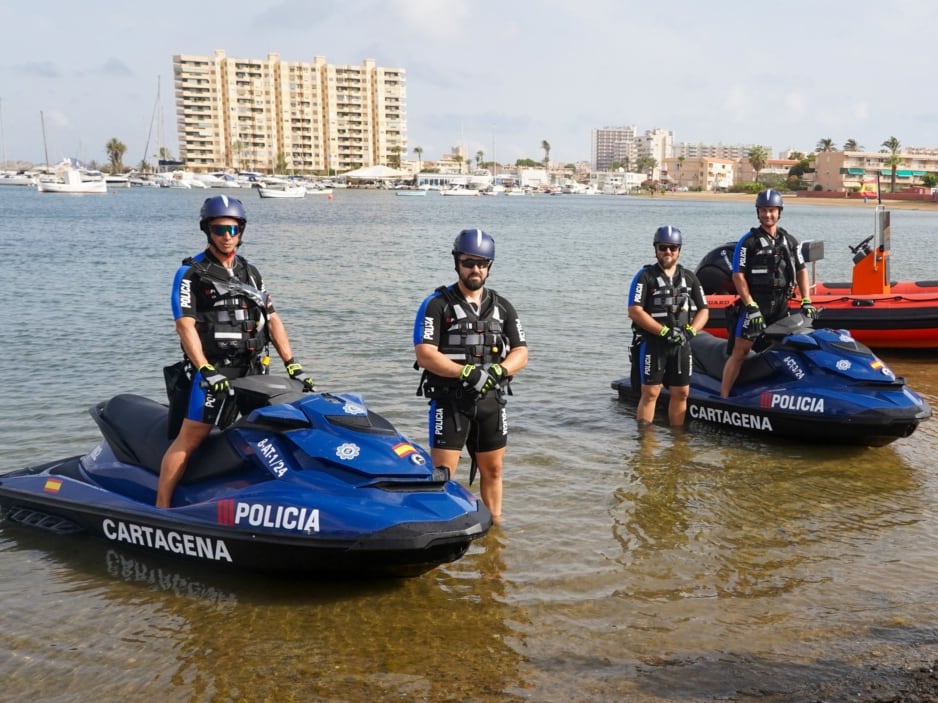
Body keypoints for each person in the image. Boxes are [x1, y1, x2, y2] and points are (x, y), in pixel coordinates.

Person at [157, 195, 316, 508]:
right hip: (215, 370)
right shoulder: (192, 274)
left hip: (255, 369)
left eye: (233, 229)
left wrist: (292, 365)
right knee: (192, 437)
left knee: (271, 432)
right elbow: (185, 326)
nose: (227, 236)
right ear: (208, 230)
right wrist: (204, 368)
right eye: (219, 229)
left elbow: (272, 320)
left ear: (241, 230)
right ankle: (161, 507)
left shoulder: (251, 273)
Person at [413, 228, 528, 522]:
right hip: (450, 402)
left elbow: (521, 352)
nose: (475, 269)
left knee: (494, 470)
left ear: (489, 266)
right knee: (443, 476)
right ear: (457, 263)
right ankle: (443, 530)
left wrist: (499, 369)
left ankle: (494, 530)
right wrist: (464, 371)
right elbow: (425, 353)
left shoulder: (503, 307)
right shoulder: (436, 305)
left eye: (482, 263)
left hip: (491, 401)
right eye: (468, 263)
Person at [720, 189, 817, 398]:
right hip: (756, 307)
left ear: (779, 212)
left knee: (782, 351)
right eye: (763, 210)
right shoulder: (748, 242)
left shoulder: (789, 241)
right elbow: (738, 276)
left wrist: (806, 300)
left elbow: (801, 270)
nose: (767, 215)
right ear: (758, 212)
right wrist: (750, 306)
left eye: (771, 210)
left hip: (781, 306)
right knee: (740, 353)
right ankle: (724, 397)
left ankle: (777, 393)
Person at [627, 226, 709, 427]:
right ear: (656, 249)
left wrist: (690, 331)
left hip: (682, 344)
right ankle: (645, 443)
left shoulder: (690, 278)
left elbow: (704, 310)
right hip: (654, 343)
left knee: (681, 392)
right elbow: (635, 310)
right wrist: (663, 331)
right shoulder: (645, 277)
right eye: (663, 248)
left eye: (673, 248)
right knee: (650, 392)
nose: (668, 252)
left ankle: (677, 438)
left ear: (679, 250)